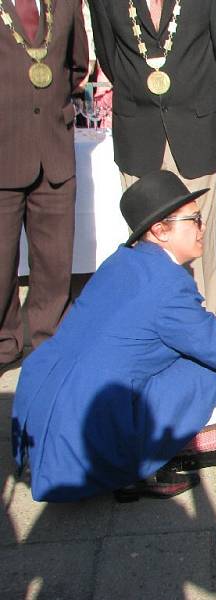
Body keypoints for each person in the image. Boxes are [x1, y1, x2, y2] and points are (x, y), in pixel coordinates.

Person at [11, 170, 216, 503]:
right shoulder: (168, 286)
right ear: (159, 230)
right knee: (212, 370)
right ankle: (138, 464)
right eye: (194, 220)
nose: (203, 227)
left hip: (41, 403)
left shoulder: (122, 260)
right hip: (88, 429)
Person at [87, 0, 216, 314]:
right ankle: (153, 320)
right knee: (146, 237)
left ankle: (202, 322)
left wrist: (189, 93)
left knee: (198, 231)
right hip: (138, 129)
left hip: (196, 126)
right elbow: (108, 56)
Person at [0, 0, 88, 370]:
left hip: (53, 147)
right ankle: (4, 344)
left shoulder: (66, 2)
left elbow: (78, 64)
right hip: (4, 148)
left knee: (54, 260)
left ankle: (48, 340)